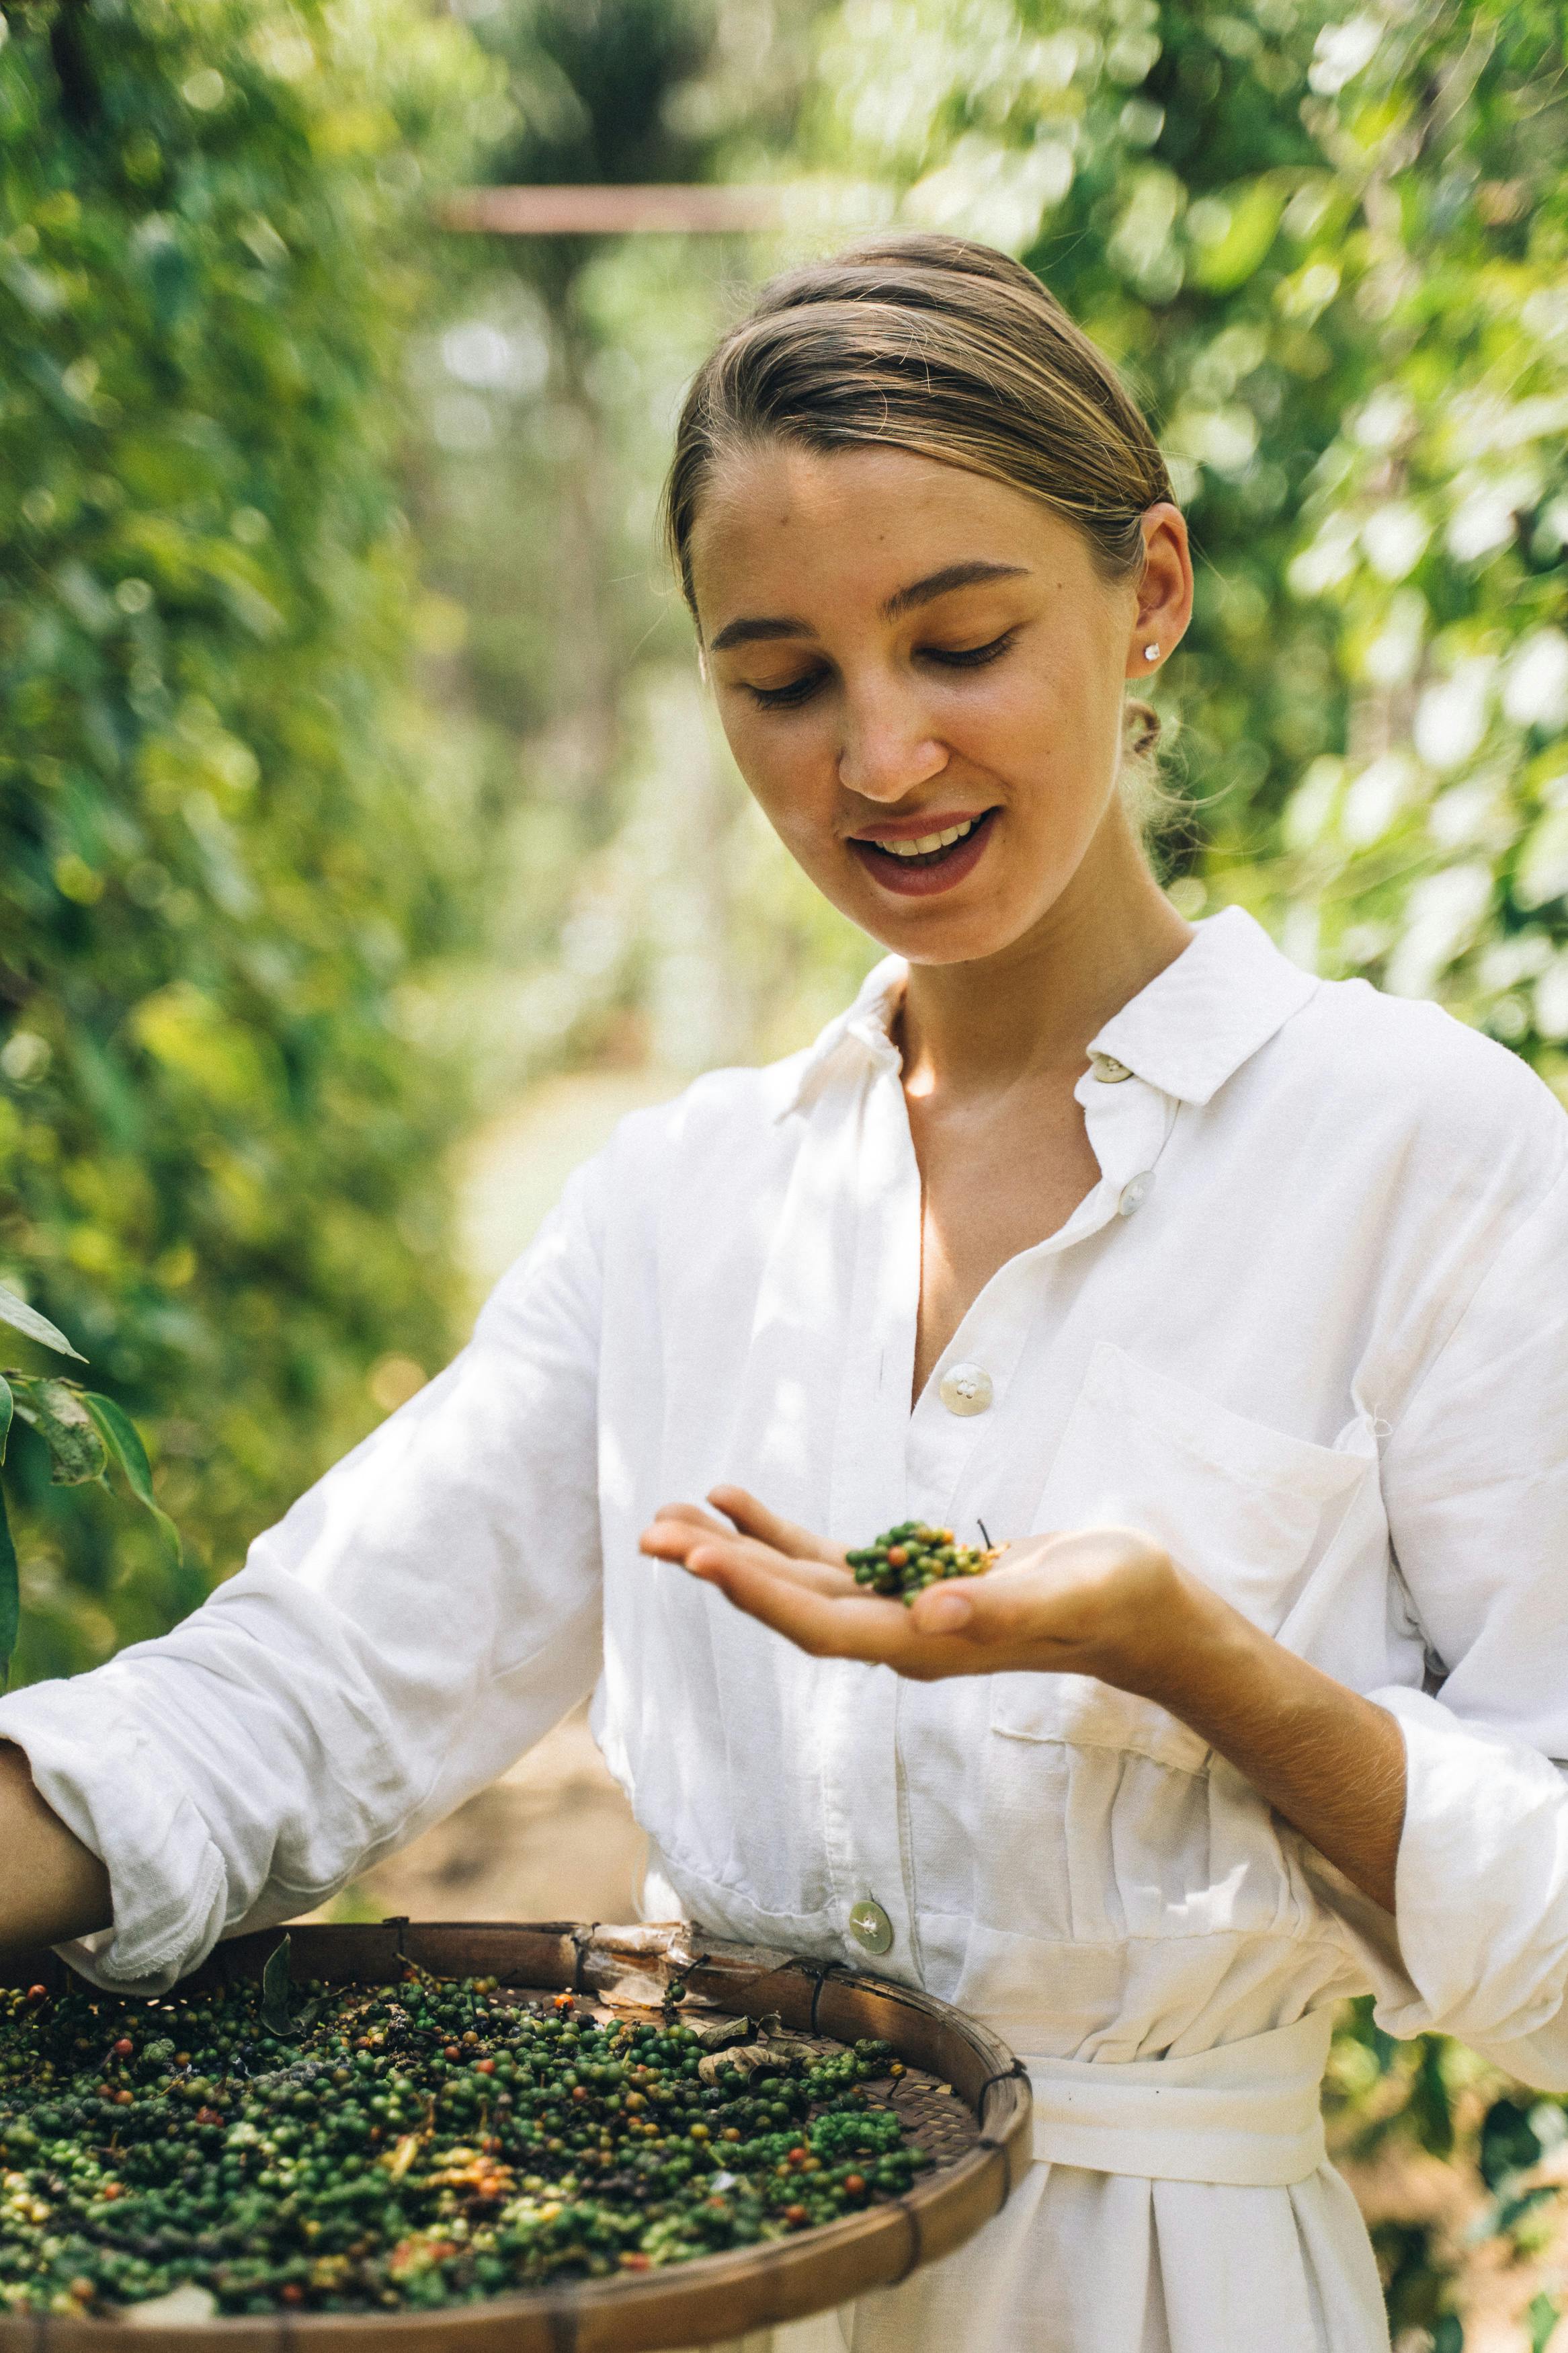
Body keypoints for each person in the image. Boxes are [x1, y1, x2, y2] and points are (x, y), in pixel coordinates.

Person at [4, 235, 1568, 2353]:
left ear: (1150, 595)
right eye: (787, 678)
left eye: (961, 639)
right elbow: (301, 1685)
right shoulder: (681, 1205)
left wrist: (1196, 1657)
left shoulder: (1420, 1150)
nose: (884, 756)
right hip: (728, 2268)